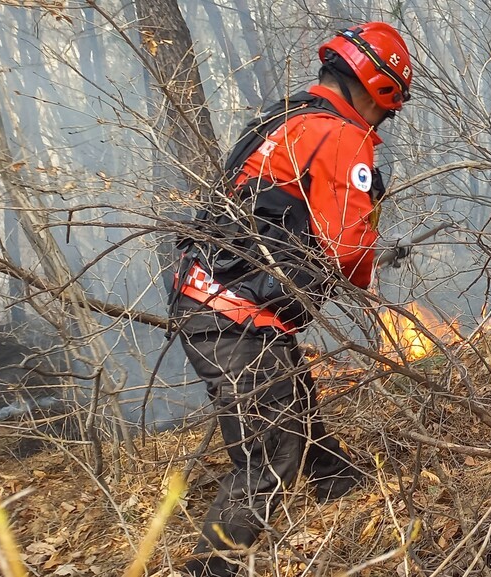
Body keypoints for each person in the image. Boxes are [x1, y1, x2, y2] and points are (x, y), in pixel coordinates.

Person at [168, 22, 413, 577]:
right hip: (233, 313)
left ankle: (338, 483)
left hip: (214, 299)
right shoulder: (341, 136)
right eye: (389, 108)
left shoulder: (283, 120)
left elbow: (283, 219)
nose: (386, 121)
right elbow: (348, 255)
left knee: (294, 398)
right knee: (269, 458)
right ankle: (211, 567)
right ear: (378, 89)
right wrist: (373, 225)